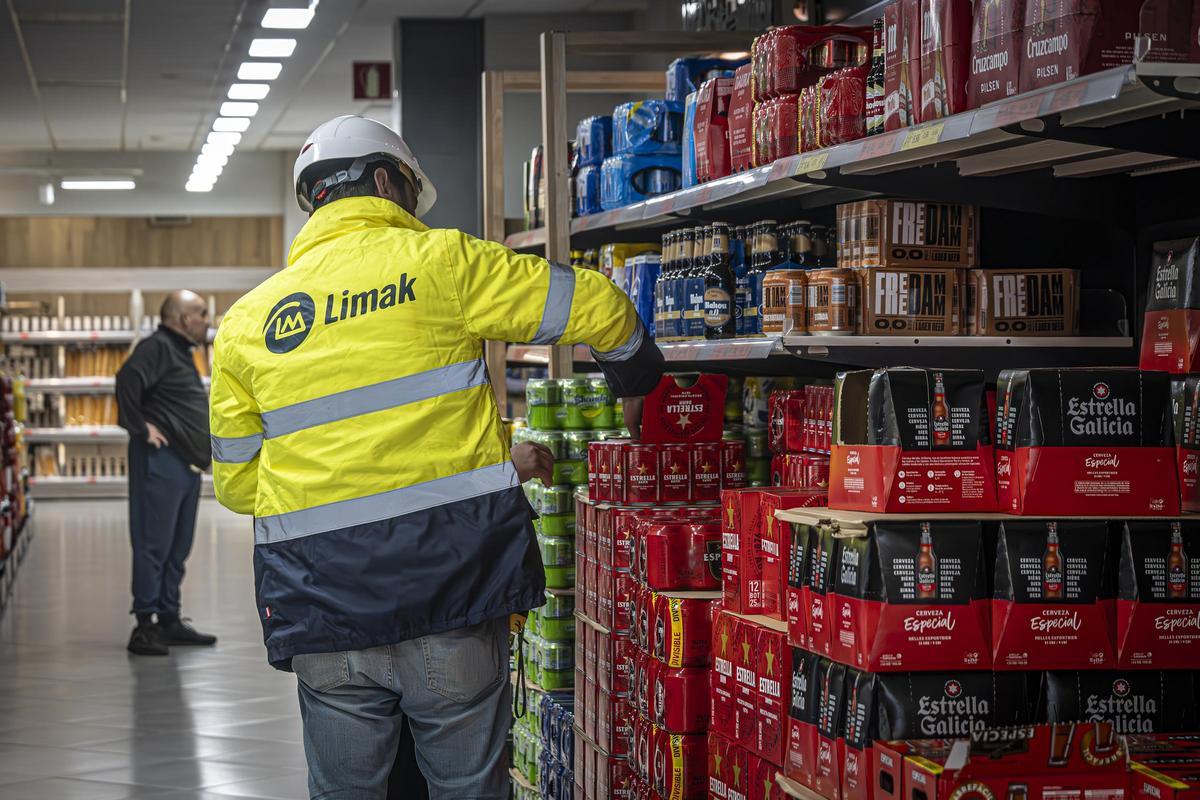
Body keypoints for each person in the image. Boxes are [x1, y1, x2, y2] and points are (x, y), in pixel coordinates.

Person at [208, 115, 663, 799]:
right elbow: (595, 304)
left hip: (322, 606)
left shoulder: (248, 322)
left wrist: (488, 453)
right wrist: (639, 381)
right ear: (388, 181)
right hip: (449, 590)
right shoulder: (443, 264)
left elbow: (241, 487)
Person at [115, 290, 219, 656]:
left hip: (184, 465)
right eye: (201, 313)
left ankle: (169, 619)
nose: (207, 320)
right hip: (160, 463)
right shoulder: (156, 346)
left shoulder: (180, 350)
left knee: (177, 547)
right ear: (181, 318)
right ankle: (144, 625)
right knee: (153, 545)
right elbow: (126, 381)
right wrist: (141, 428)